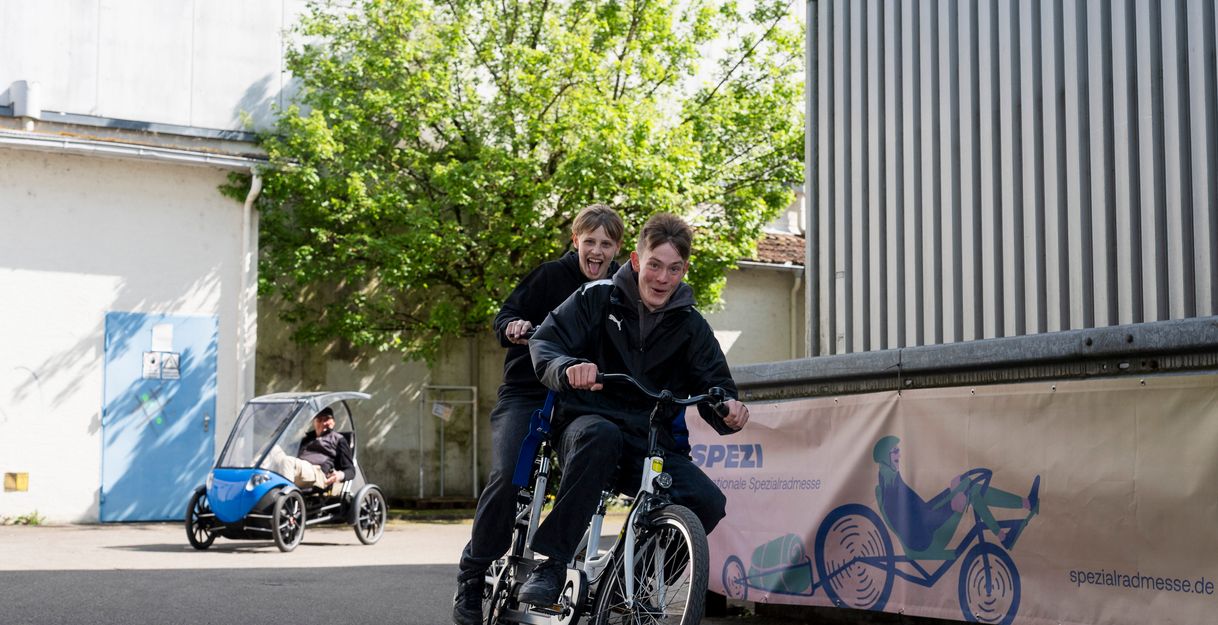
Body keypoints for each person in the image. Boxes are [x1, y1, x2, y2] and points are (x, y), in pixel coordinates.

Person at [517, 212, 751, 607]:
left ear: (684, 270)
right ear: (637, 260)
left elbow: (717, 385)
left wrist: (728, 408)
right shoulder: (597, 297)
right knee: (600, 435)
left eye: (674, 269)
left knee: (708, 502)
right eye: (655, 266)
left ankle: (624, 587)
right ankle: (553, 563)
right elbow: (546, 343)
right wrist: (569, 368)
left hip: (650, 440)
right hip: (587, 428)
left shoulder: (691, 325)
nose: (662, 278)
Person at [452, 204, 625, 625]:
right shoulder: (550, 276)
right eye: (590, 242)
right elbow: (505, 316)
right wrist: (512, 326)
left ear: (617, 248)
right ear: (576, 242)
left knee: (599, 461)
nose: (597, 252)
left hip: (583, 401)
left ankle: (576, 570)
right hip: (529, 393)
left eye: (606, 244)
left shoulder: (623, 288)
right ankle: (473, 573)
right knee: (509, 473)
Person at [872, 435, 1039, 558]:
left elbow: (920, 510)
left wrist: (949, 493)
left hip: (927, 524)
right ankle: (1004, 535)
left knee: (964, 483)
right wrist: (949, 507)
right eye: (895, 452)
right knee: (971, 491)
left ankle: (1024, 507)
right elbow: (913, 528)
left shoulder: (893, 482)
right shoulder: (892, 492)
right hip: (925, 540)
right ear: (885, 458)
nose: (899, 455)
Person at [265, 406, 354, 490]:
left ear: (333, 422)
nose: (323, 423)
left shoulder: (338, 439)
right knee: (273, 448)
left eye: (327, 419)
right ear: (314, 423)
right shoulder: (308, 438)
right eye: (319, 420)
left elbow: (351, 470)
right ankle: (253, 478)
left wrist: (340, 475)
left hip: (318, 473)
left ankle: (284, 499)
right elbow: (288, 449)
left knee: (287, 461)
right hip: (298, 469)